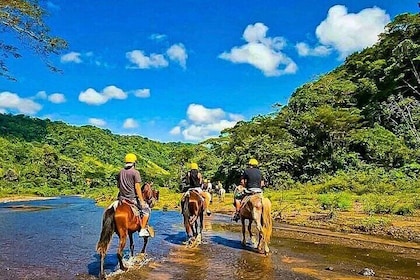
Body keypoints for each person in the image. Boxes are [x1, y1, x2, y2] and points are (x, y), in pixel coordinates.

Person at [116, 153, 150, 237]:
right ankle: (142, 229)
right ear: (134, 162)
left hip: (121, 198)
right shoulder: (135, 172)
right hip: (132, 199)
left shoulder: (120, 172)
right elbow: (137, 188)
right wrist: (141, 201)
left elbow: (118, 185)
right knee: (147, 211)